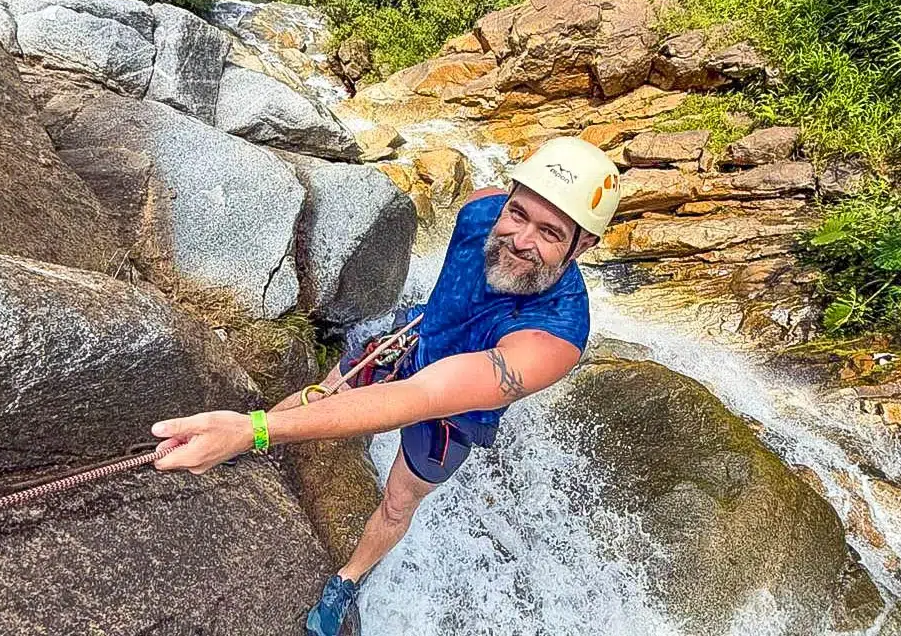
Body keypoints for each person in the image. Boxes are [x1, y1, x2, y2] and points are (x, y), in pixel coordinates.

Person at [150, 136, 622, 636]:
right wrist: (255, 430)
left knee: (399, 501)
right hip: (413, 337)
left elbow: (420, 398)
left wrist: (256, 431)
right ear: (506, 198)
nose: (522, 240)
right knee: (327, 389)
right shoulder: (482, 211)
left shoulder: (555, 337)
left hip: (455, 411)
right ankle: (251, 434)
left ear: (583, 246)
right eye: (519, 213)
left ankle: (347, 581)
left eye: (550, 232)